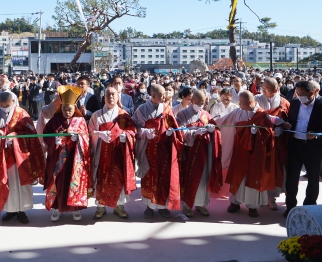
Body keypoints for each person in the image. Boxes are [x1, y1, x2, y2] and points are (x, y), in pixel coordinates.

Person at [214, 91, 284, 217]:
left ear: (250, 102)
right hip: (240, 151)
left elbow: (269, 133)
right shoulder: (237, 112)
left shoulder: (261, 115)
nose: (238, 104)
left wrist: (258, 133)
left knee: (253, 177)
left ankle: (253, 206)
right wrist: (210, 123)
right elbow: (224, 120)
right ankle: (234, 203)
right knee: (237, 176)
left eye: (241, 102)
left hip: (255, 153)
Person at [0, 92, 45, 224]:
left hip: (20, 155)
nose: (4, 108)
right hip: (3, 155)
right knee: (7, 182)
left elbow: (31, 132)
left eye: (6, 105)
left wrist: (14, 136)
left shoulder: (22, 114)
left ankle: (22, 210)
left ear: (13, 101)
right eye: (2, 106)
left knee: (21, 183)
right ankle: (10, 210)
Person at [282, 81, 322, 217]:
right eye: (298, 94)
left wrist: (317, 134)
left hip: (313, 148)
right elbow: (291, 120)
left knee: (313, 179)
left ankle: (310, 207)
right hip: (296, 146)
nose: (300, 97)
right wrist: (287, 125)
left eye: (302, 95)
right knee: (292, 178)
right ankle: (290, 207)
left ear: (312, 93)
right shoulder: (294, 103)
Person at [133, 84, 183, 219]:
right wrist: (144, 132)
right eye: (161, 95)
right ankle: (149, 206)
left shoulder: (167, 109)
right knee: (149, 177)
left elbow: (174, 126)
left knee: (163, 177)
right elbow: (134, 128)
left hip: (164, 149)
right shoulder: (142, 109)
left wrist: (171, 132)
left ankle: (163, 206)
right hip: (148, 149)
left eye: (164, 94)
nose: (164, 97)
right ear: (153, 96)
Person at [43, 85, 92, 222]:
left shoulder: (80, 120)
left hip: (75, 158)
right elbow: (46, 134)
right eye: (64, 109)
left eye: (69, 109)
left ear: (74, 108)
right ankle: (56, 208)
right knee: (58, 182)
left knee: (73, 182)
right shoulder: (55, 119)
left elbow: (86, 137)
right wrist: (54, 140)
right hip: (58, 157)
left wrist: (79, 139)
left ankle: (75, 210)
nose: (67, 112)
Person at [88, 85, 137, 220]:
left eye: (113, 95)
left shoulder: (123, 115)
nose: (110, 97)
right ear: (104, 98)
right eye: (108, 95)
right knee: (101, 178)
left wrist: (125, 136)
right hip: (101, 153)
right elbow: (90, 132)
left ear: (118, 97)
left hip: (118, 153)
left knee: (118, 178)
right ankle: (100, 207)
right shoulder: (96, 115)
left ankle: (119, 206)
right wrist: (99, 134)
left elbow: (132, 131)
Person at [176, 88, 222, 217]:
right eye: (199, 101)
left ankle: (201, 204)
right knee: (189, 179)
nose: (201, 103)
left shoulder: (206, 115)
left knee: (203, 179)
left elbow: (215, 129)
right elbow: (179, 132)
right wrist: (194, 132)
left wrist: (213, 131)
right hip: (189, 153)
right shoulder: (182, 114)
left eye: (203, 101)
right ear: (192, 100)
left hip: (204, 152)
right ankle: (186, 205)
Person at [255, 77, 291, 211]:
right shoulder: (257, 99)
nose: (263, 91)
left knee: (276, 169)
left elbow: (289, 120)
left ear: (276, 90)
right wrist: (274, 121)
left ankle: (272, 197)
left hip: (278, 142)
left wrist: (283, 126)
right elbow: (256, 115)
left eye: (266, 89)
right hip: (261, 140)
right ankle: (259, 196)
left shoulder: (284, 103)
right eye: (262, 88)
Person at [211, 88, 239, 171]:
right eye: (223, 97)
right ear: (220, 96)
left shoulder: (235, 107)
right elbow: (214, 119)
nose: (226, 99)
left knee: (230, 151)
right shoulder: (216, 106)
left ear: (231, 97)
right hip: (220, 132)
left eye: (228, 97)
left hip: (231, 133)